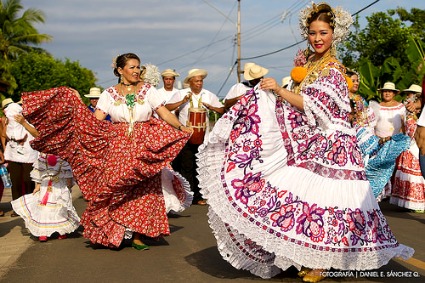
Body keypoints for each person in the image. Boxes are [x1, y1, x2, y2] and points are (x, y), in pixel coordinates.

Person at [196, 2, 414, 281]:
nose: (317, 38)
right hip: (316, 139)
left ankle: (321, 262)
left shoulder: (334, 69)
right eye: (312, 33)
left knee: (327, 200)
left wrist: (278, 90)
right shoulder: (310, 64)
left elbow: (315, 106)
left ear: (335, 34)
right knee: (299, 194)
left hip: (336, 143)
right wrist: (275, 94)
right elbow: (304, 105)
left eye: (323, 32)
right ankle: (302, 254)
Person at [21, 52, 193, 250]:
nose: (137, 71)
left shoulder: (148, 90)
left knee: (144, 189)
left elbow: (163, 113)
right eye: (132, 67)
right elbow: (96, 120)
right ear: (120, 70)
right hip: (118, 145)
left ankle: (138, 236)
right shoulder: (109, 93)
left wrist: (180, 127)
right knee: (114, 187)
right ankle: (113, 231)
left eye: (138, 67)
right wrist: (77, 108)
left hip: (146, 144)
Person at [166, 68, 224, 205]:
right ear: (190, 82)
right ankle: (187, 195)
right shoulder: (181, 94)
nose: (199, 83)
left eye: (201, 81)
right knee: (186, 166)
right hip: (185, 135)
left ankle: (197, 196)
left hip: (203, 136)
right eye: (197, 81)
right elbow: (167, 108)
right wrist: (181, 102)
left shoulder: (208, 95)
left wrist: (212, 107)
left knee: (199, 165)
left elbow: (222, 109)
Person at [11, 153, 80, 241]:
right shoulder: (42, 158)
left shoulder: (62, 158)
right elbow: (39, 172)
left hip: (59, 187)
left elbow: (68, 173)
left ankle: (61, 231)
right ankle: (43, 232)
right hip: (46, 186)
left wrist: (68, 184)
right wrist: (38, 186)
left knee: (60, 207)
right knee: (45, 208)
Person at [369, 82, 408, 201]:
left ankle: (392, 192)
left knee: (394, 167)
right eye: (385, 91)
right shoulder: (376, 107)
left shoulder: (401, 107)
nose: (387, 93)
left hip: (395, 140)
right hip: (380, 140)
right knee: (381, 167)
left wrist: (401, 140)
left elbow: (404, 124)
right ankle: (382, 193)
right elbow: (371, 125)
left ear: (394, 93)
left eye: (389, 91)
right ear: (381, 93)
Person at [1, 98, 39, 217]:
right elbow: (3, 135)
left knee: (28, 180)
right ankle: (17, 208)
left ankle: (30, 205)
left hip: (29, 153)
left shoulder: (29, 119)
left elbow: (36, 133)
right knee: (16, 181)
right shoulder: (8, 120)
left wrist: (23, 123)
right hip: (13, 153)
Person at [391, 84, 425, 212]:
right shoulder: (408, 115)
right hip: (411, 147)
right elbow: (408, 131)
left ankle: (417, 203)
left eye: (413, 94)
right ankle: (408, 203)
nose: (410, 96)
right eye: (409, 93)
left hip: (417, 147)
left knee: (418, 174)